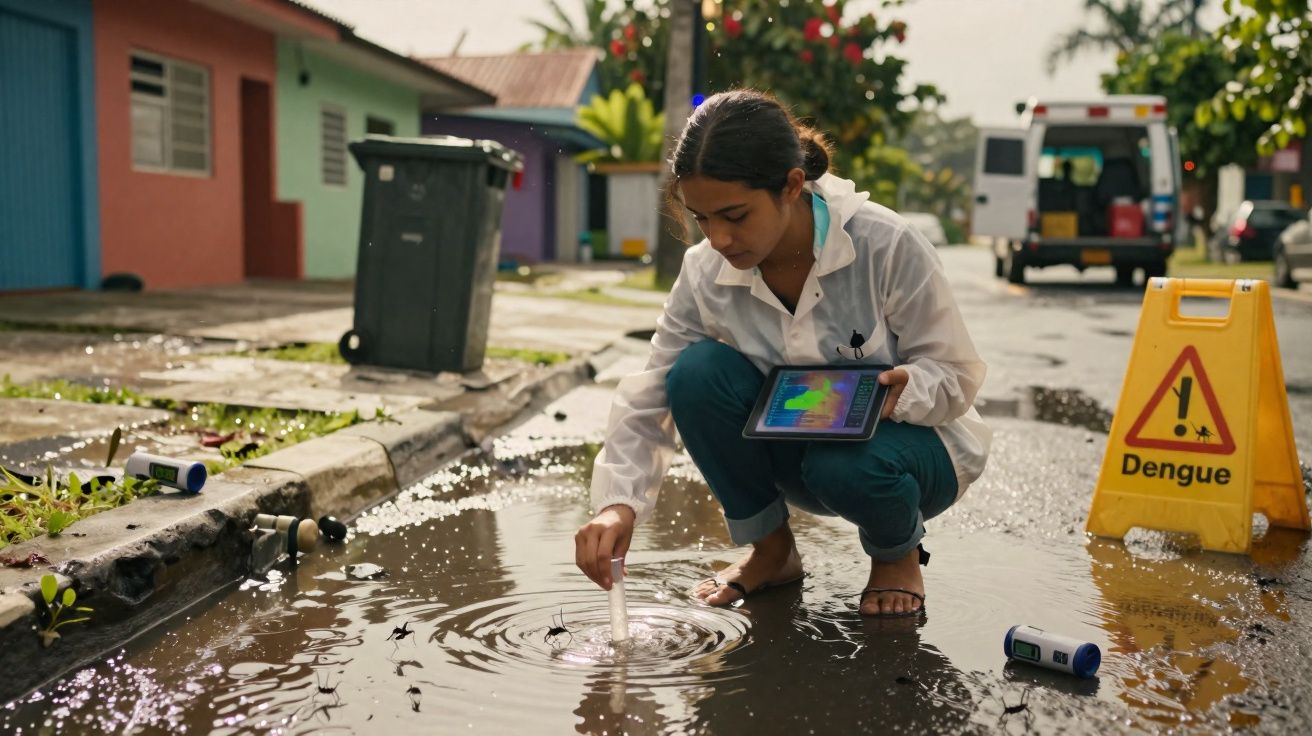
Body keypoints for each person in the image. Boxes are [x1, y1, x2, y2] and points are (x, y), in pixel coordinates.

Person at [573, 89, 991, 617]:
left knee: (843, 464)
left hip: (910, 453)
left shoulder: (885, 244)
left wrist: (905, 390)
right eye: (702, 218)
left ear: (792, 186)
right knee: (695, 374)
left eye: (735, 215)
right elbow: (652, 388)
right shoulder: (704, 270)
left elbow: (955, 373)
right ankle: (773, 552)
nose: (719, 238)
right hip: (802, 454)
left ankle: (896, 555)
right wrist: (617, 507)